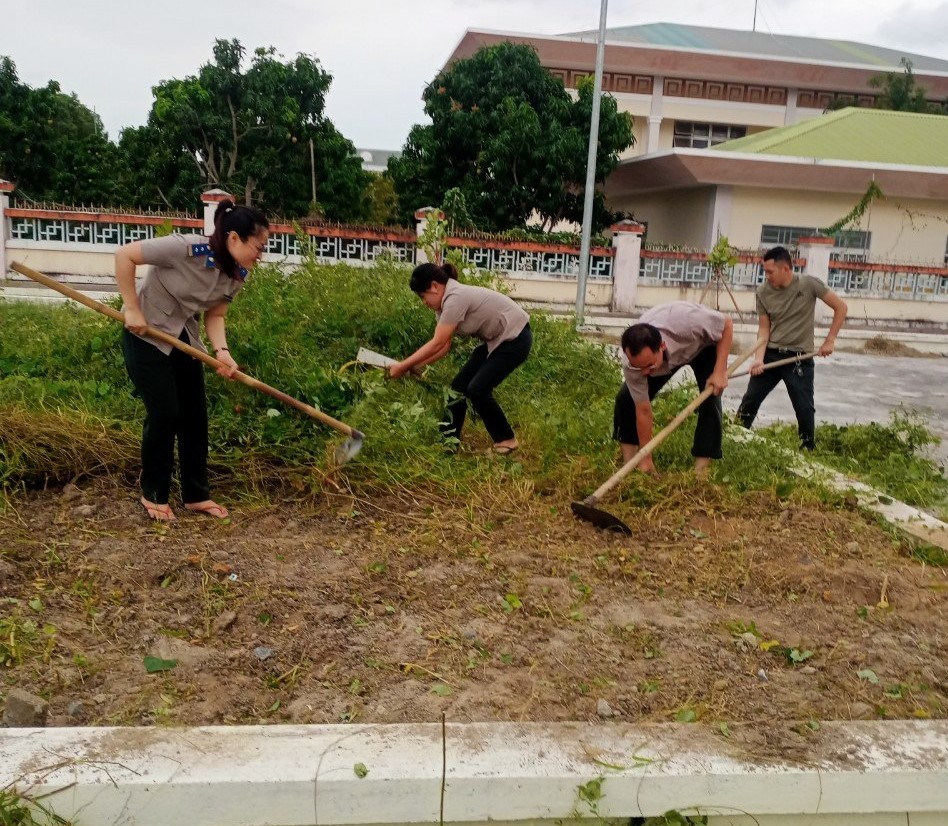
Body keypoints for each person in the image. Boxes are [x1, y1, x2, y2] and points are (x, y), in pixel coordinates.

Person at [115, 199, 270, 521]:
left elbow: (216, 314)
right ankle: (153, 493)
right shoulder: (183, 248)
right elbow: (125, 255)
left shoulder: (238, 274)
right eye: (259, 246)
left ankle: (196, 495)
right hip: (145, 335)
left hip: (182, 336)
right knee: (165, 413)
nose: (261, 254)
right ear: (234, 239)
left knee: (195, 417)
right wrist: (131, 307)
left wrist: (222, 353)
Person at [389, 262, 531, 454]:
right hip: (495, 342)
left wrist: (403, 365)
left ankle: (506, 440)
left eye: (423, 296)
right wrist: (416, 365)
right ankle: (448, 443)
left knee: (477, 389)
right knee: (457, 390)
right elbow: (444, 346)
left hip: (516, 339)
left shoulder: (455, 297)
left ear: (434, 286)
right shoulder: (444, 307)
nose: (424, 302)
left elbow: (438, 342)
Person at [737, 245, 848, 450]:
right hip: (771, 354)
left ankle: (807, 449)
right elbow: (763, 330)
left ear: (786, 269)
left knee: (804, 407)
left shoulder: (809, 285)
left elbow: (841, 307)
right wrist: (759, 359)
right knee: (750, 401)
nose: (766, 276)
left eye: (770, 271)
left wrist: (830, 340)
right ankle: (734, 437)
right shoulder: (763, 292)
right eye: (765, 271)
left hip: (799, 358)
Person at [614, 301, 733, 476]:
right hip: (668, 357)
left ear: (661, 346)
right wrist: (646, 457)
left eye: (648, 365)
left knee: (711, 396)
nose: (645, 372)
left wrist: (720, 370)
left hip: (703, 346)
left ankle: (702, 470)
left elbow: (727, 324)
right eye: (640, 367)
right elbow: (643, 410)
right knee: (626, 399)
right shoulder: (633, 364)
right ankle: (630, 464)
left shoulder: (690, 322)